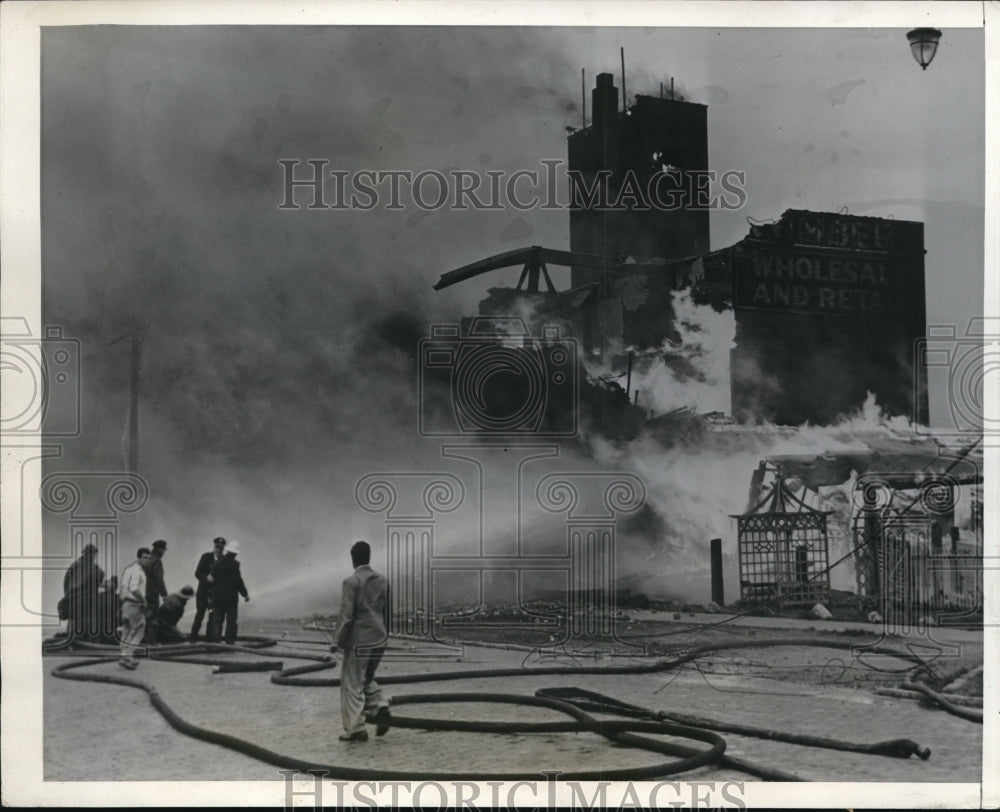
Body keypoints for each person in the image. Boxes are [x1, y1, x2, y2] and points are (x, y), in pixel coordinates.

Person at [335, 540, 391, 742]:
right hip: (379, 637)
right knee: (366, 677)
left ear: (353, 559)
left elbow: (346, 616)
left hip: (359, 641)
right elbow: (387, 612)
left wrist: (337, 641)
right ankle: (381, 706)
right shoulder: (382, 580)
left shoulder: (350, 582)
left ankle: (356, 728)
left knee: (352, 683)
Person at [207, 539, 249, 645]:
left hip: (217, 597)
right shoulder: (235, 565)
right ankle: (229, 642)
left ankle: (215, 642)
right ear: (234, 553)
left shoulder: (217, 563)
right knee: (231, 620)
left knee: (217, 621)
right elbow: (238, 581)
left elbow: (211, 579)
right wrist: (245, 594)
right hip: (231, 598)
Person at [61, 544, 104, 644]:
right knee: (86, 622)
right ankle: (87, 643)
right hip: (85, 601)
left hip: (75, 600)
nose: (93, 556)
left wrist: (68, 595)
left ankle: (73, 643)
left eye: (94, 554)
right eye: (92, 554)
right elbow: (99, 575)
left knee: (75, 622)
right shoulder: (91, 567)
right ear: (88, 554)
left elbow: (66, 582)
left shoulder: (74, 565)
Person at [118, 548, 151, 669]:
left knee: (126, 631)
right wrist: (144, 600)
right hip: (135, 604)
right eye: (144, 558)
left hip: (125, 604)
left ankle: (124, 656)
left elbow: (122, 588)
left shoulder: (128, 569)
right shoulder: (138, 571)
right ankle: (127, 655)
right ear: (139, 557)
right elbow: (134, 588)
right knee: (139, 631)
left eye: (148, 558)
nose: (147, 560)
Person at [189, 537, 226, 642]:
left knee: (212, 616)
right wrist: (206, 577)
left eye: (220, 548)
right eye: (217, 547)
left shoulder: (224, 560)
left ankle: (209, 640)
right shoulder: (206, 557)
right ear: (214, 546)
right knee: (200, 614)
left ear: (223, 548)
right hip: (203, 592)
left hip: (214, 594)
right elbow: (197, 573)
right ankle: (193, 638)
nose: (218, 550)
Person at [144, 539, 169, 616]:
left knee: (146, 614)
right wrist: (164, 595)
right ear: (159, 549)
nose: (164, 552)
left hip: (145, 591)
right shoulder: (157, 561)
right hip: (152, 592)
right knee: (153, 616)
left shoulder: (147, 559)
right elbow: (159, 579)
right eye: (163, 550)